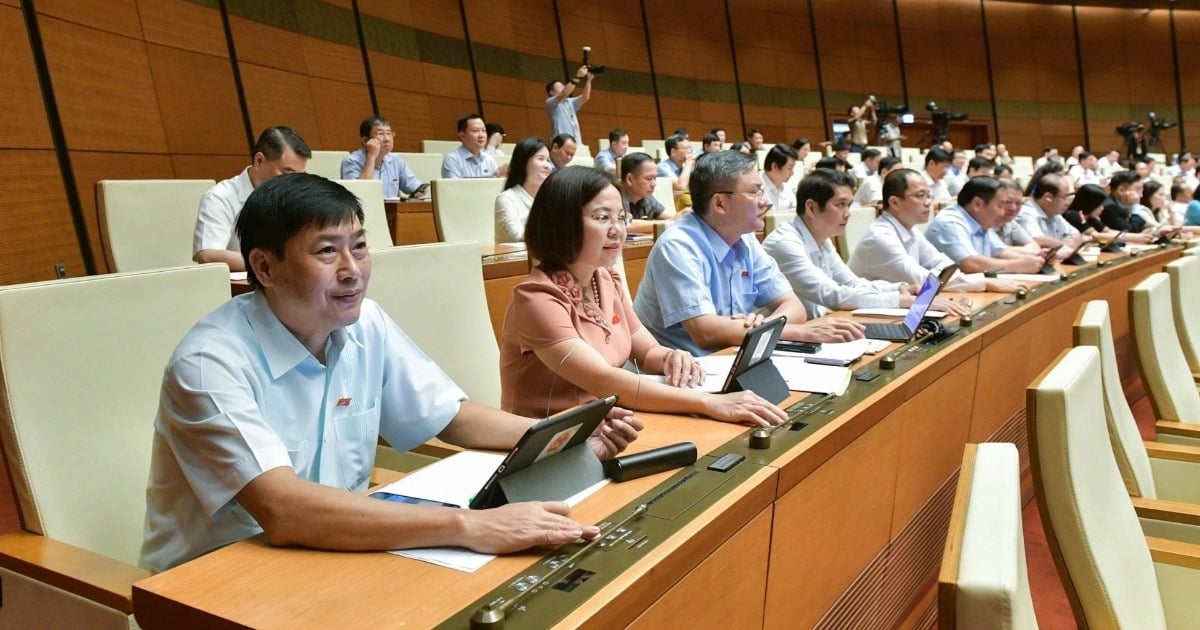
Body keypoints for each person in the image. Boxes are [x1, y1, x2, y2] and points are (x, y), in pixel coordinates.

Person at [142, 173, 640, 573]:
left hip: (337, 552)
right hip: (220, 580)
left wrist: (572, 431)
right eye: (326, 251)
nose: (352, 269)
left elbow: (453, 418)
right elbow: (284, 509)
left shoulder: (366, 323)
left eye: (358, 247)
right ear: (265, 268)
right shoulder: (211, 363)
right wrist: (470, 526)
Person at [499, 166, 787, 428]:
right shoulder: (537, 298)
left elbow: (647, 352)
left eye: (621, 218)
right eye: (602, 218)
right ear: (561, 223)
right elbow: (603, 379)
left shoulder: (605, 279)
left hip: (610, 424)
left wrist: (672, 358)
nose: (617, 230)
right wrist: (709, 402)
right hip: (550, 441)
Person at [633, 151, 864, 356]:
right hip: (678, 374)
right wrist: (796, 333)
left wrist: (761, 329)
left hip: (734, 358)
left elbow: (793, 306)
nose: (766, 202)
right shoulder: (678, 245)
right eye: (755, 192)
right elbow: (705, 332)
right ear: (720, 203)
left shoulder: (746, 240)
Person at [762, 169, 967, 319]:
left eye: (849, 205)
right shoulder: (785, 244)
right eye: (840, 205)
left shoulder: (821, 239)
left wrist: (899, 289)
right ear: (812, 208)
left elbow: (852, 283)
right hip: (789, 335)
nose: (848, 213)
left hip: (820, 324)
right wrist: (900, 300)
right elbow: (832, 294)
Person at [848, 169, 1026, 294]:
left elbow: (943, 266)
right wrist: (985, 282)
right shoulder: (880, 238)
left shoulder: (910, 231)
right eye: (920, 196)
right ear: (894, 202)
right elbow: (924, 280)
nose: (928, 203)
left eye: (928, 196)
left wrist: (976, 282)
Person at [194, 126, 310, 272]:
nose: (293, 183)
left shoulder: (298, 196)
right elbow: (208, 255)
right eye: (287, 173)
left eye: (300, 176)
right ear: (259, 161)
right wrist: (272, 266)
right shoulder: (220, 198)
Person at [923, 176, 1045, 273]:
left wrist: (1037, 258)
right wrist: (1019, 265)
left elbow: (999, 252)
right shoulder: (950, 223)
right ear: (978, 204)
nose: (1003, 212)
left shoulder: (980, 221)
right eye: (1000, 206)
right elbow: (969, 264)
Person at [341, 115, 425, 200]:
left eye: (389, 133)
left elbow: (418, 189)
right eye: (380, 134)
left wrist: (423, 193)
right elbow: (360, 196)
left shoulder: (396, 160)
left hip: (391, 211)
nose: (387, 139)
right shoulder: (351, 161)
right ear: (365, 141)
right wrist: (371, 157)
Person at [495, 136, 552, 243]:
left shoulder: (550, 197)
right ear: (523, 162)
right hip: (515, 258)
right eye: (540, 159)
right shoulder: (506, 199)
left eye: (548, 160)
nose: (547, 165)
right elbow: (518, 237)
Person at [1015, 172, 1087, 254]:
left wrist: (1055, 244)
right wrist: (1062, 244)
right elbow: (1037, 240)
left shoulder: (1054, 213)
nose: (1067, 203)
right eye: (1064, 197)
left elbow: (1077, 237)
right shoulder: (1026, 213)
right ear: (1048, 197)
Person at [441, 113, 507, 179]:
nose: (481, 135)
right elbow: (452, 187)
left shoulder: (488, 159)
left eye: (484, 131)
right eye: (475, 131)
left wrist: (500, 176)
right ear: (462, 136)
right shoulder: (452, 160)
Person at [1099, 171, 1155, 242]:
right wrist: (1135, 206)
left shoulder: (1122, 205)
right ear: (1121, 190)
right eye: (1138, 189)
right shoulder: (1109, 207)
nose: (1141, 195)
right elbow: (1130, 231)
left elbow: (1140, 227)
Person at [619, 153, 672, 220]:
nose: (654, 184)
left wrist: (680, 217)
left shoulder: (647, 197)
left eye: (655, 178)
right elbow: (625, 224)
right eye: (649, 178)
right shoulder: (613, 197)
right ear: (630, 179)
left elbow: (668, 219)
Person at [546, 66, 592, 141]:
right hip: (562, 141)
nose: (563, 87)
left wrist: (589, 80)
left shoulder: (570, 101)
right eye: (559, 87)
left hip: (576, 141)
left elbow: (585, 97)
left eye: (563, 85)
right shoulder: (550, 102)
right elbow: (564, 93)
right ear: (551, 92)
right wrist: (578, 76)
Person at [761, 144, 799, 213]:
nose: (792, 173)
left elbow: (797, 210)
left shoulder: (787, 186)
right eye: (789, 168)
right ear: (775, 166)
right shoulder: (757, 187)